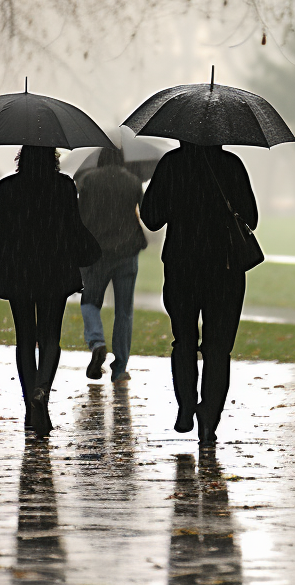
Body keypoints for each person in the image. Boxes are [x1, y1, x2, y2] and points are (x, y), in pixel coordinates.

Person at [140, 141, 257, 445]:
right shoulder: (231, 165)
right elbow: (251, 218)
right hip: (225, 270)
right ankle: (210, 418)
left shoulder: (172, 164)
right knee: (218, 348)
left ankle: (185, 405)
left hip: (182, 267)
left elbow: (151, 218)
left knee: (184, 341)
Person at [0, 145, 101, 438]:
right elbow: (74, 228)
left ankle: (29, 407)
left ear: (21, 158)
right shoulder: (63, 187)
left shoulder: (6, 187)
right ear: (53, 158)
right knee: (50, 336)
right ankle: (42, 392)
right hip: (55, 270)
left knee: (25, 338)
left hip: (18, 272)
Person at [75, 146, 147, 383]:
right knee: (124, 311)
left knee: (90, 301)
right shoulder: (133, 182)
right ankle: (120, 369)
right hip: (127, 252)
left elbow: (80, 215)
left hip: (96, 253)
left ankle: (97, 341)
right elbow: (145, 215)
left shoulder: (88, 181)